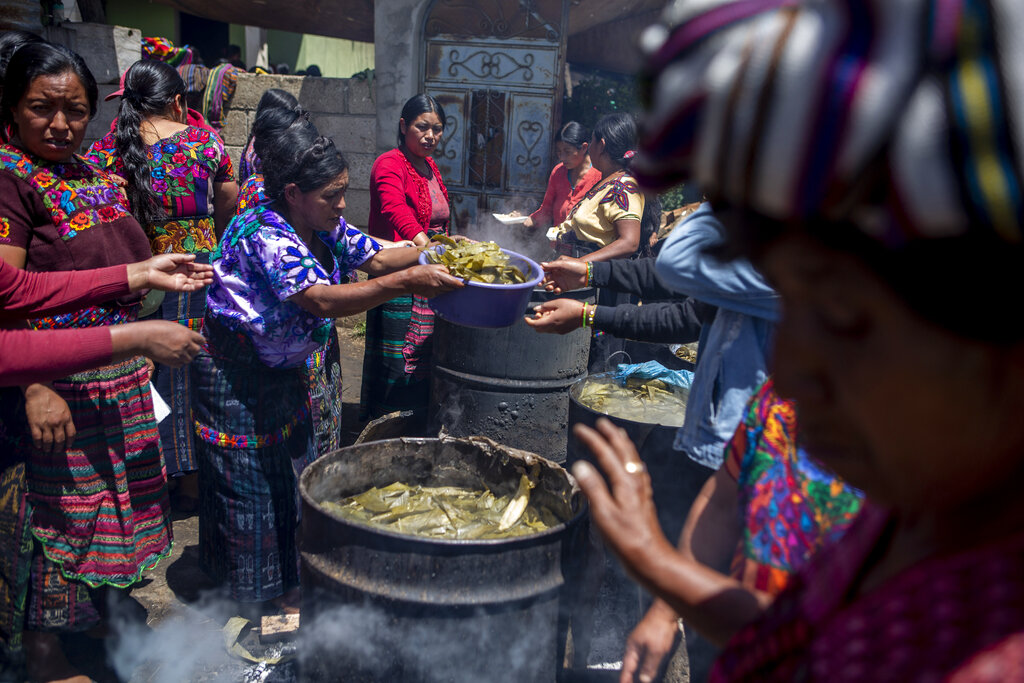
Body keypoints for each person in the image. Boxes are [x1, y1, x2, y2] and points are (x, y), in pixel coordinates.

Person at [575, 0, 1024, 680]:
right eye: (793, 298)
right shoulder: (918, 510)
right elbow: (808, 635)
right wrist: (661, 572)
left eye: (842, 312)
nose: (790, 367)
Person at [191, 119, 462, 614]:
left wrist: (437, 252)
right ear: (292, 192)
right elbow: (320, 300)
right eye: (331, 195)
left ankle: (286, 584)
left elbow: (377, 259)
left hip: (280, 370)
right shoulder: (262, 231)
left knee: (289, 478)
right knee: (251, 488)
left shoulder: (324, 225)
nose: (342, 205)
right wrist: (408, 283)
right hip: (236, 374)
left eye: (343, 192)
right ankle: (264, 602)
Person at [0, 42, 189, 682]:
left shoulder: (90, 171)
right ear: (11, 107)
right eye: (41, 109)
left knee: (114, 506)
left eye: (75, 110)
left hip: (116, 374)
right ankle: (44, 651)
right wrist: (33, 385)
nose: (60, 125)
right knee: (55, 519)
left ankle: (97, 612)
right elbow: (8, 297)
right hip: (55, 376)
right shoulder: (8, 177)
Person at [619, 380, 863, 683]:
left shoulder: (919, 459)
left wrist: (647, 556)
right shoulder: (777, 403)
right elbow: (721, 502)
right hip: (741, 656)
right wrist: (664, 612)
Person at [84, 59, 238, 511]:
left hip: (140, 275)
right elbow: (228, 200)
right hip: (201, 273)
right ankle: (193, 481)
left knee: (148, 373)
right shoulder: (203, 141)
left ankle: (151, 477)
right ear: (177, 101)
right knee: (199, 370)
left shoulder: (108, 147)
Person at [361, 94, 451, 420]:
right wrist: (425, 244)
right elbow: (394, 208)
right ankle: (387, 426)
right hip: (397, 275)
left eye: (437, 129)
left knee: (423, 360)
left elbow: (436, 218)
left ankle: (415, 422)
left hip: (426, 274)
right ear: (403, 126)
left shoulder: (429, 167)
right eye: (422, 127)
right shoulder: (390, 163)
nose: (431, 136)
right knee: (397, 359)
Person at [548, 113, 660, 262]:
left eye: (592, 141)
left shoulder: (624, 187)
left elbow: (629, 243)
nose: (589, 148)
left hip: (588, 280)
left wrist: (580, 263)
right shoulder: (607, 182)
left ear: (601, 145)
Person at [521, 121, 602, 230]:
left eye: (567, 152)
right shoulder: (558, 172)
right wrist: (531, 219)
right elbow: (546, 209)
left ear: (583, 148)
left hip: (586, 245)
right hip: (557, 243)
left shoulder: (600, 176)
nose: (562, 157)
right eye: (559, 152)